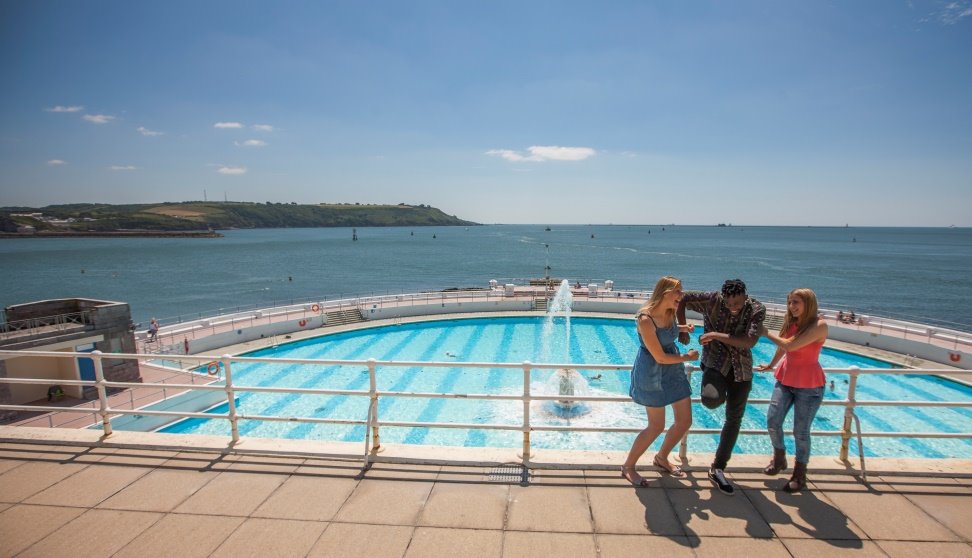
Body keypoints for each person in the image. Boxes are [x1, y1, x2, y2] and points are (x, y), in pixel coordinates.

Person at [677, 278, 765, 495]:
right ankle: (721, 394)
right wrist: (683, 329)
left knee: (734, 419)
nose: (733, 308)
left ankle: (718, 468)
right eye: (729, 303)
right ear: (723, 297)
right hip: (715, 363)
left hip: (741, 370)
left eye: (738, 303)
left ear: (745, 296)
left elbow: (749, 341)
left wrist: (715, 335)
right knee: (710, 399)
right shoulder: (712, 300)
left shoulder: (756, 309)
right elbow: (683, 299)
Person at [622, 276, 699, 487]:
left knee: (685, 421)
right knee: (656, 426)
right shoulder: (645, 319)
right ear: (665, 293)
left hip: (673, 372)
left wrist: (683, 328)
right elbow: (660, 357)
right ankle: (628, 466)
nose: (681, 296)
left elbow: (667, 333)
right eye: (678, 292)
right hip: (653, 372)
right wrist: (688, 357)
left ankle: (662, 457)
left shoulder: (670, 311)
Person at [757, 288, 828, 492]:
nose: (792, 306)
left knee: (801, 432)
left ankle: (799, 474)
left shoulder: (819, 325)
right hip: (786, 378)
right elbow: (783, 348)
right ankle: (779, 458)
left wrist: (765, 332)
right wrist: (771, 365)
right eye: (790, 302)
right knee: (773, 420)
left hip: (809, 384)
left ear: (809, 303)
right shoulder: (791, 321)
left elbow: (790, 345)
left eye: (796, 302)